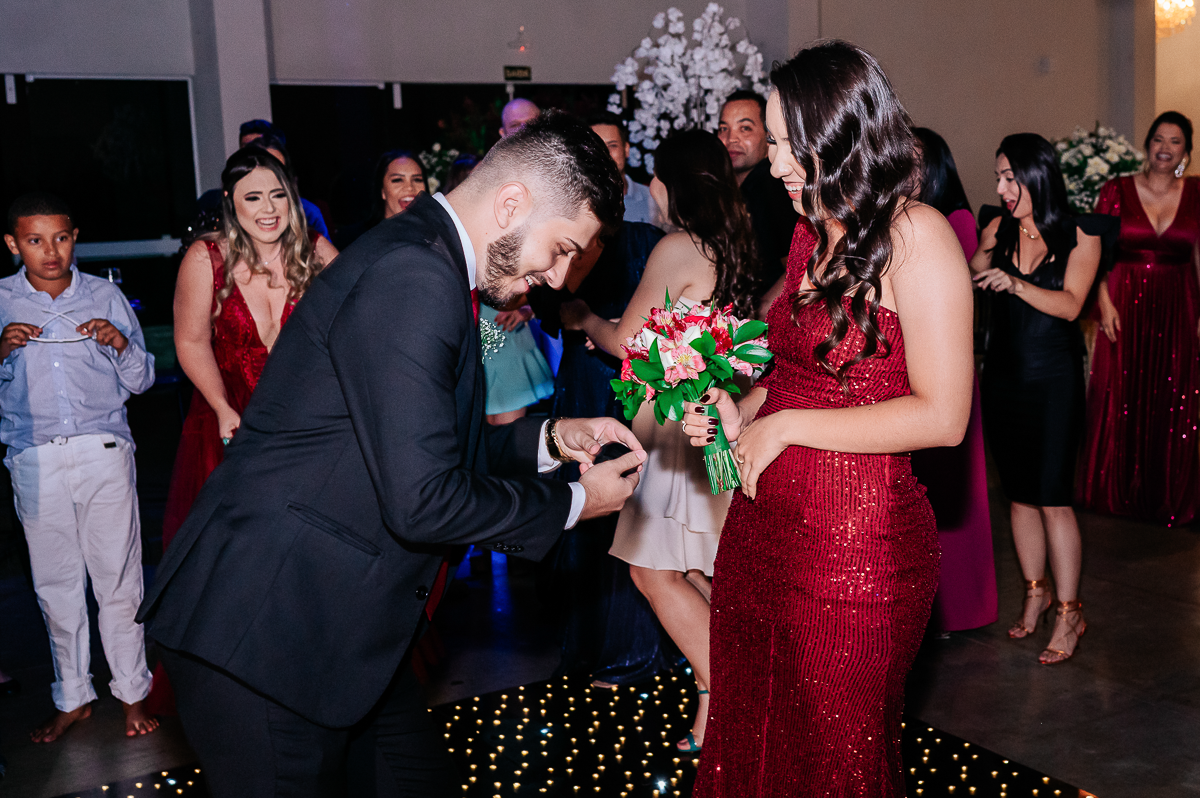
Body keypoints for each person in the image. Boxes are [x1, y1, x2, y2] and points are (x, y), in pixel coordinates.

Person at [136, 111, 646, 798]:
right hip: (264, 631)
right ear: (511, 204)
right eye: (560, 248)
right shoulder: (415, 273)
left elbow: (429, 449)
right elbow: (423, 497)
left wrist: (552, 439)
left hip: (342, 632)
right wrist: (580, 501)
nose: (558, 277)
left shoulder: (427, 259)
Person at [681, 42, 974, 796]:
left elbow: (943, 416)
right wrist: (738, 411)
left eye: (786, 142)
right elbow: (795, 378)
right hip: (762, 536)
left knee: (837, 758)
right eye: (773, 142)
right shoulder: (810, 232)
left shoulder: (919, 238)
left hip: (857, 555)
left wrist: (784, 428)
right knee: (758, 735)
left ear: (839, 134)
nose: (774, 162)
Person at [561, 129, 760, 747]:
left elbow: (630, 342)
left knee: (655, 573)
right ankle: (721, 699)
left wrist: (584, 318)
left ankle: (725, 694)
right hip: (706, 423)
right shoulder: (733, 244)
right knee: (698, 572)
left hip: (674, 427)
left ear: (665, 184)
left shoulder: (678, 244)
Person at [1, 193, 160, 743]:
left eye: (61, 238)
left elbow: (141, 380)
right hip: (34, 455)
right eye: (34, 240)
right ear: (13, 244)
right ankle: (73, 697)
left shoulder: (105, 294)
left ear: (75, 238)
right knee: (56, 584)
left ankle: (132, 691)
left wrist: (119, 344)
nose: (50, 251)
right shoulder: (0, 301)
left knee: (119, 577)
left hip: (103, 450)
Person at [972, 133, 1113, 665]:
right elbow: (968, 275)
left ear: (1037, 176)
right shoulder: (998, 226)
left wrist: (1015, 283)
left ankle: (1070, 611)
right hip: (1003, 376)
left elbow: (1073, 303)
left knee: (1053, 496)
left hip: (1053, 381)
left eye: (1011, 177)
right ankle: (1036, 592)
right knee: (1020, 496)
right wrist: (984, 254)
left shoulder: (1083, 233)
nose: (1003, 188)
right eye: (999, 178)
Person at [1079, 111, 1200, 525]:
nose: (1165, 148)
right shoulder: (1116, 189)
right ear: (1147, 144)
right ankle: (1116, 491)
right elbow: (1096, 254)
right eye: (1158, 139)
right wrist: (1104, 301)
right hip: (1123, 300)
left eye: (1175, 142)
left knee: (1175, 399)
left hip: (1179, 302)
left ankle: (1165, 494)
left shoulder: (1197, 193)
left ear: (1186, 150)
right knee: (1120, 394)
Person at [910, 127, 998, 634]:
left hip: (948, 369)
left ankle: (958, 608)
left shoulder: (955, 222)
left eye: (919, 160)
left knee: (953, 493)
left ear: (938, 166)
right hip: (918, 371)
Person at [717, 89, 800, 312]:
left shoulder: (772, 184)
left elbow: (799, 264)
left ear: (768, 135)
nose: (730, 138)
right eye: (723, 128)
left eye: (745, 128)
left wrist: (763, 310)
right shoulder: (734, 191)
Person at [333, 150, 428, 250]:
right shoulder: (354, 240)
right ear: (382, 191)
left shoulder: (438, 236)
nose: (409, 187)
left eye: (417, 180)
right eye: (397, 180)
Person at [588, 111, 659, 226]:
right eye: (598, 147)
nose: (606, 154)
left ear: (626, 149)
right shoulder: (579, 202)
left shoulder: (652, 200)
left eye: (612, 146)